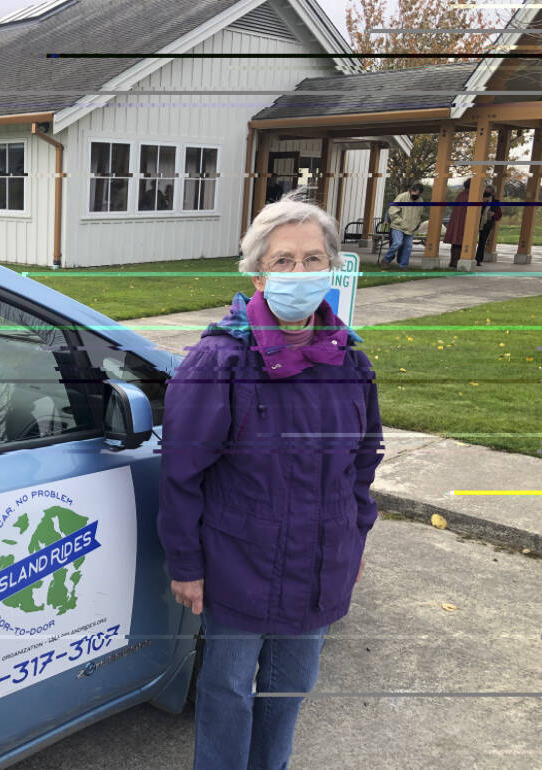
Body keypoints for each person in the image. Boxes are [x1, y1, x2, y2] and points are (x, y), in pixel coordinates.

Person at [158, 196, 384, 770]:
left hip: (320, 562)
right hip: (240, 563)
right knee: (229, 687)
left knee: (291, 687)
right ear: (258, 272)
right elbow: (182, 472)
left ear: (332, 267)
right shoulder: (219, 361)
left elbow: (363, 462)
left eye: (313, 258)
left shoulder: (352, 363)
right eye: (284, 261)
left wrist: (355, 540)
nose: (300, 273)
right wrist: (185, 563)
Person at [382, 182, 427, 269]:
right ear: (410, 191)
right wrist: (401, 221)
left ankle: (403, 266)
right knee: (397, 243)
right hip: (398, 226)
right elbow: (392, 210)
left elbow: (419, 214)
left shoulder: (420, 201)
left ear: (420, 193)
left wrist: (416, 224)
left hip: (410, 228)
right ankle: (386, 260)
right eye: (413, 193)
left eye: (417, 194)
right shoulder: (402, 197)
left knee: (408, 247)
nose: (414, 195)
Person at [443, 179, 471, 268]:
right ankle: (455, 262)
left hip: (457, 221)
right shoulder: (469, 196)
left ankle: (454, 261)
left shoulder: (461, 194)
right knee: (459, 241)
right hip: (462, 222)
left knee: (456, 241)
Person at [474, 187, 503, 266]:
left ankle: (478, 259)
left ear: (493, 193)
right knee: (471, 240)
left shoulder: (495, 202)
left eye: (489, 192)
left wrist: (494, 215)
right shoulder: (478, 198)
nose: (486, 194)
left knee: (482, 242)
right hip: (475, 223)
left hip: (487, 224)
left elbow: (499, 215)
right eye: (485, 192)